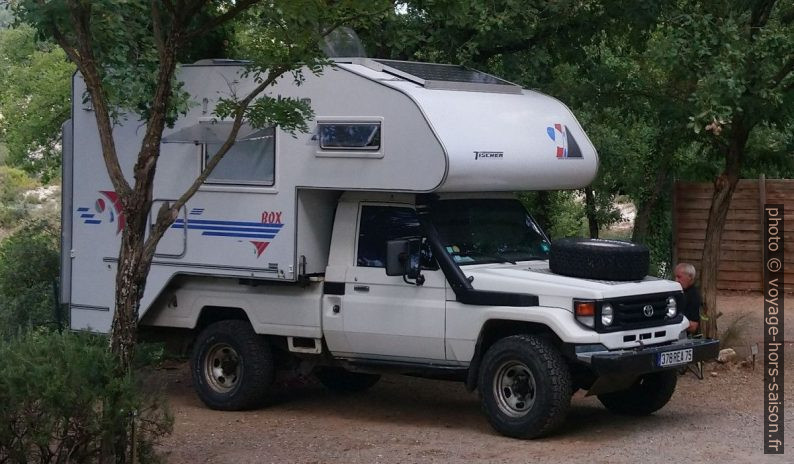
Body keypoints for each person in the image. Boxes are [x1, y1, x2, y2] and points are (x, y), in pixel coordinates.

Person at [674, 263, 701, 335]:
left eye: (679, 277)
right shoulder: (678, 292)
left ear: (690, 277)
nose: (676, 280)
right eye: (675, 277)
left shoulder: (694, 296)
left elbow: (693, 327)